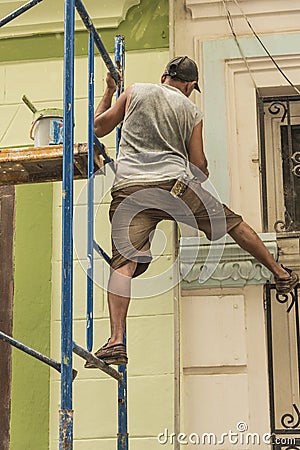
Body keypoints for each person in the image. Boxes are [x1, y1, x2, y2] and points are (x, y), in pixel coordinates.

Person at [86, 56, 299, 367]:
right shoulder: (191, 110)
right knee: (232, 223)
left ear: (164, 77)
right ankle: (280, 273)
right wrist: (202, 174)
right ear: (188, 85)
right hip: (174, 187)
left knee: (124, 263)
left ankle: (116, 339)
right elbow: (198, 165)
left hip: (131, 191)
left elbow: (98, 127)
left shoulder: (133, 91)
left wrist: (108, 89)